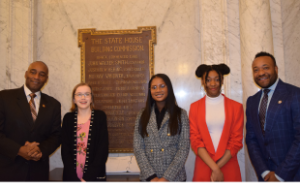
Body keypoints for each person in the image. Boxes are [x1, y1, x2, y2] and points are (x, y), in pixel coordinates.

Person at [0, 61, 61, 181]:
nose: (36, 77)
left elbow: (56, 136)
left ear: (46, 79)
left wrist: (40, 150)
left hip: (38, 173)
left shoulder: (53, 105)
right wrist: (19, 150)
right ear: (26, 74)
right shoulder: (4, 98)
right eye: (33, 72)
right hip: (8, 171)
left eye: (42, 74)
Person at [246, 51, 300, 181]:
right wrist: (264, 172)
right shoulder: (252, 101)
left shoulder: (294, 94)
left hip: (292, 176)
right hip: (265, 177)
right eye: (256, 70)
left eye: (266, 67)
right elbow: (251, 139)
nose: (261, 73)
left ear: (275, 69)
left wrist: (279, 175)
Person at [189, 64, 244, 181]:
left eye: (216, 79)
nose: (212, 84)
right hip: (204, 165)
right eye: (208, 80)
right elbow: (195, 140)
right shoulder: (194, 107)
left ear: (222, 80)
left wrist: (216, 168)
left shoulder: (236, 107)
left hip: (228, 165)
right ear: (203, 81)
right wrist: (215, 168)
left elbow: (236, 141)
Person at [133, 74, 190, 181]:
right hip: (149, 179)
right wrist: (152, 177)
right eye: (154, 87)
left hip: (174, 179)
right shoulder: (142, 115)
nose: (158, 90)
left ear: (169, 88)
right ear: (150, 91)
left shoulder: (180, 114)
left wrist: (166, 178)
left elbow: (183, 149)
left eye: (162, 86)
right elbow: (138, 148)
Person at [61, 83, 108, 181]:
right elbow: (65, 151)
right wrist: (74, 180)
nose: (83, 97)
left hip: (93, 177)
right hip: (71, 177)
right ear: (74, 99)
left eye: (87, 94)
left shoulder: (100, 117)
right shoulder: (68, 119)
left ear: (91, 99)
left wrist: (87, 178)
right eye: (79, 94)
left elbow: (102, 150)